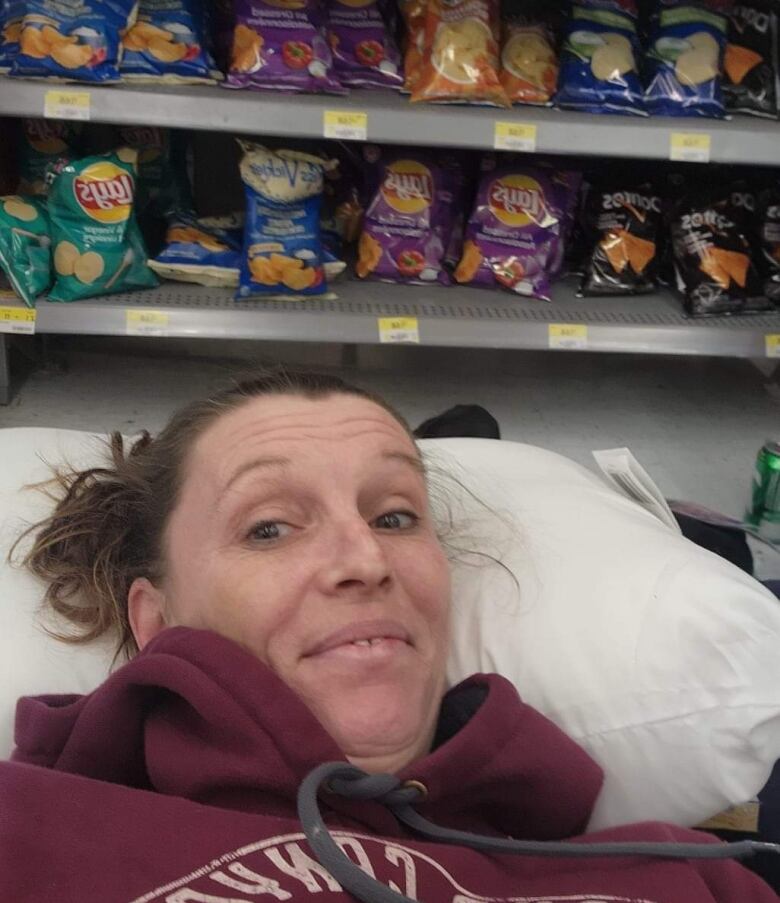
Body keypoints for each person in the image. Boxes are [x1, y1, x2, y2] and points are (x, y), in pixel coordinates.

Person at [1, 366, 777, 903]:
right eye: (269, 528)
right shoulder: (24, 831)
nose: (366, 559)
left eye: (395, 515)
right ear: (157, 618)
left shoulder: (693, 874)